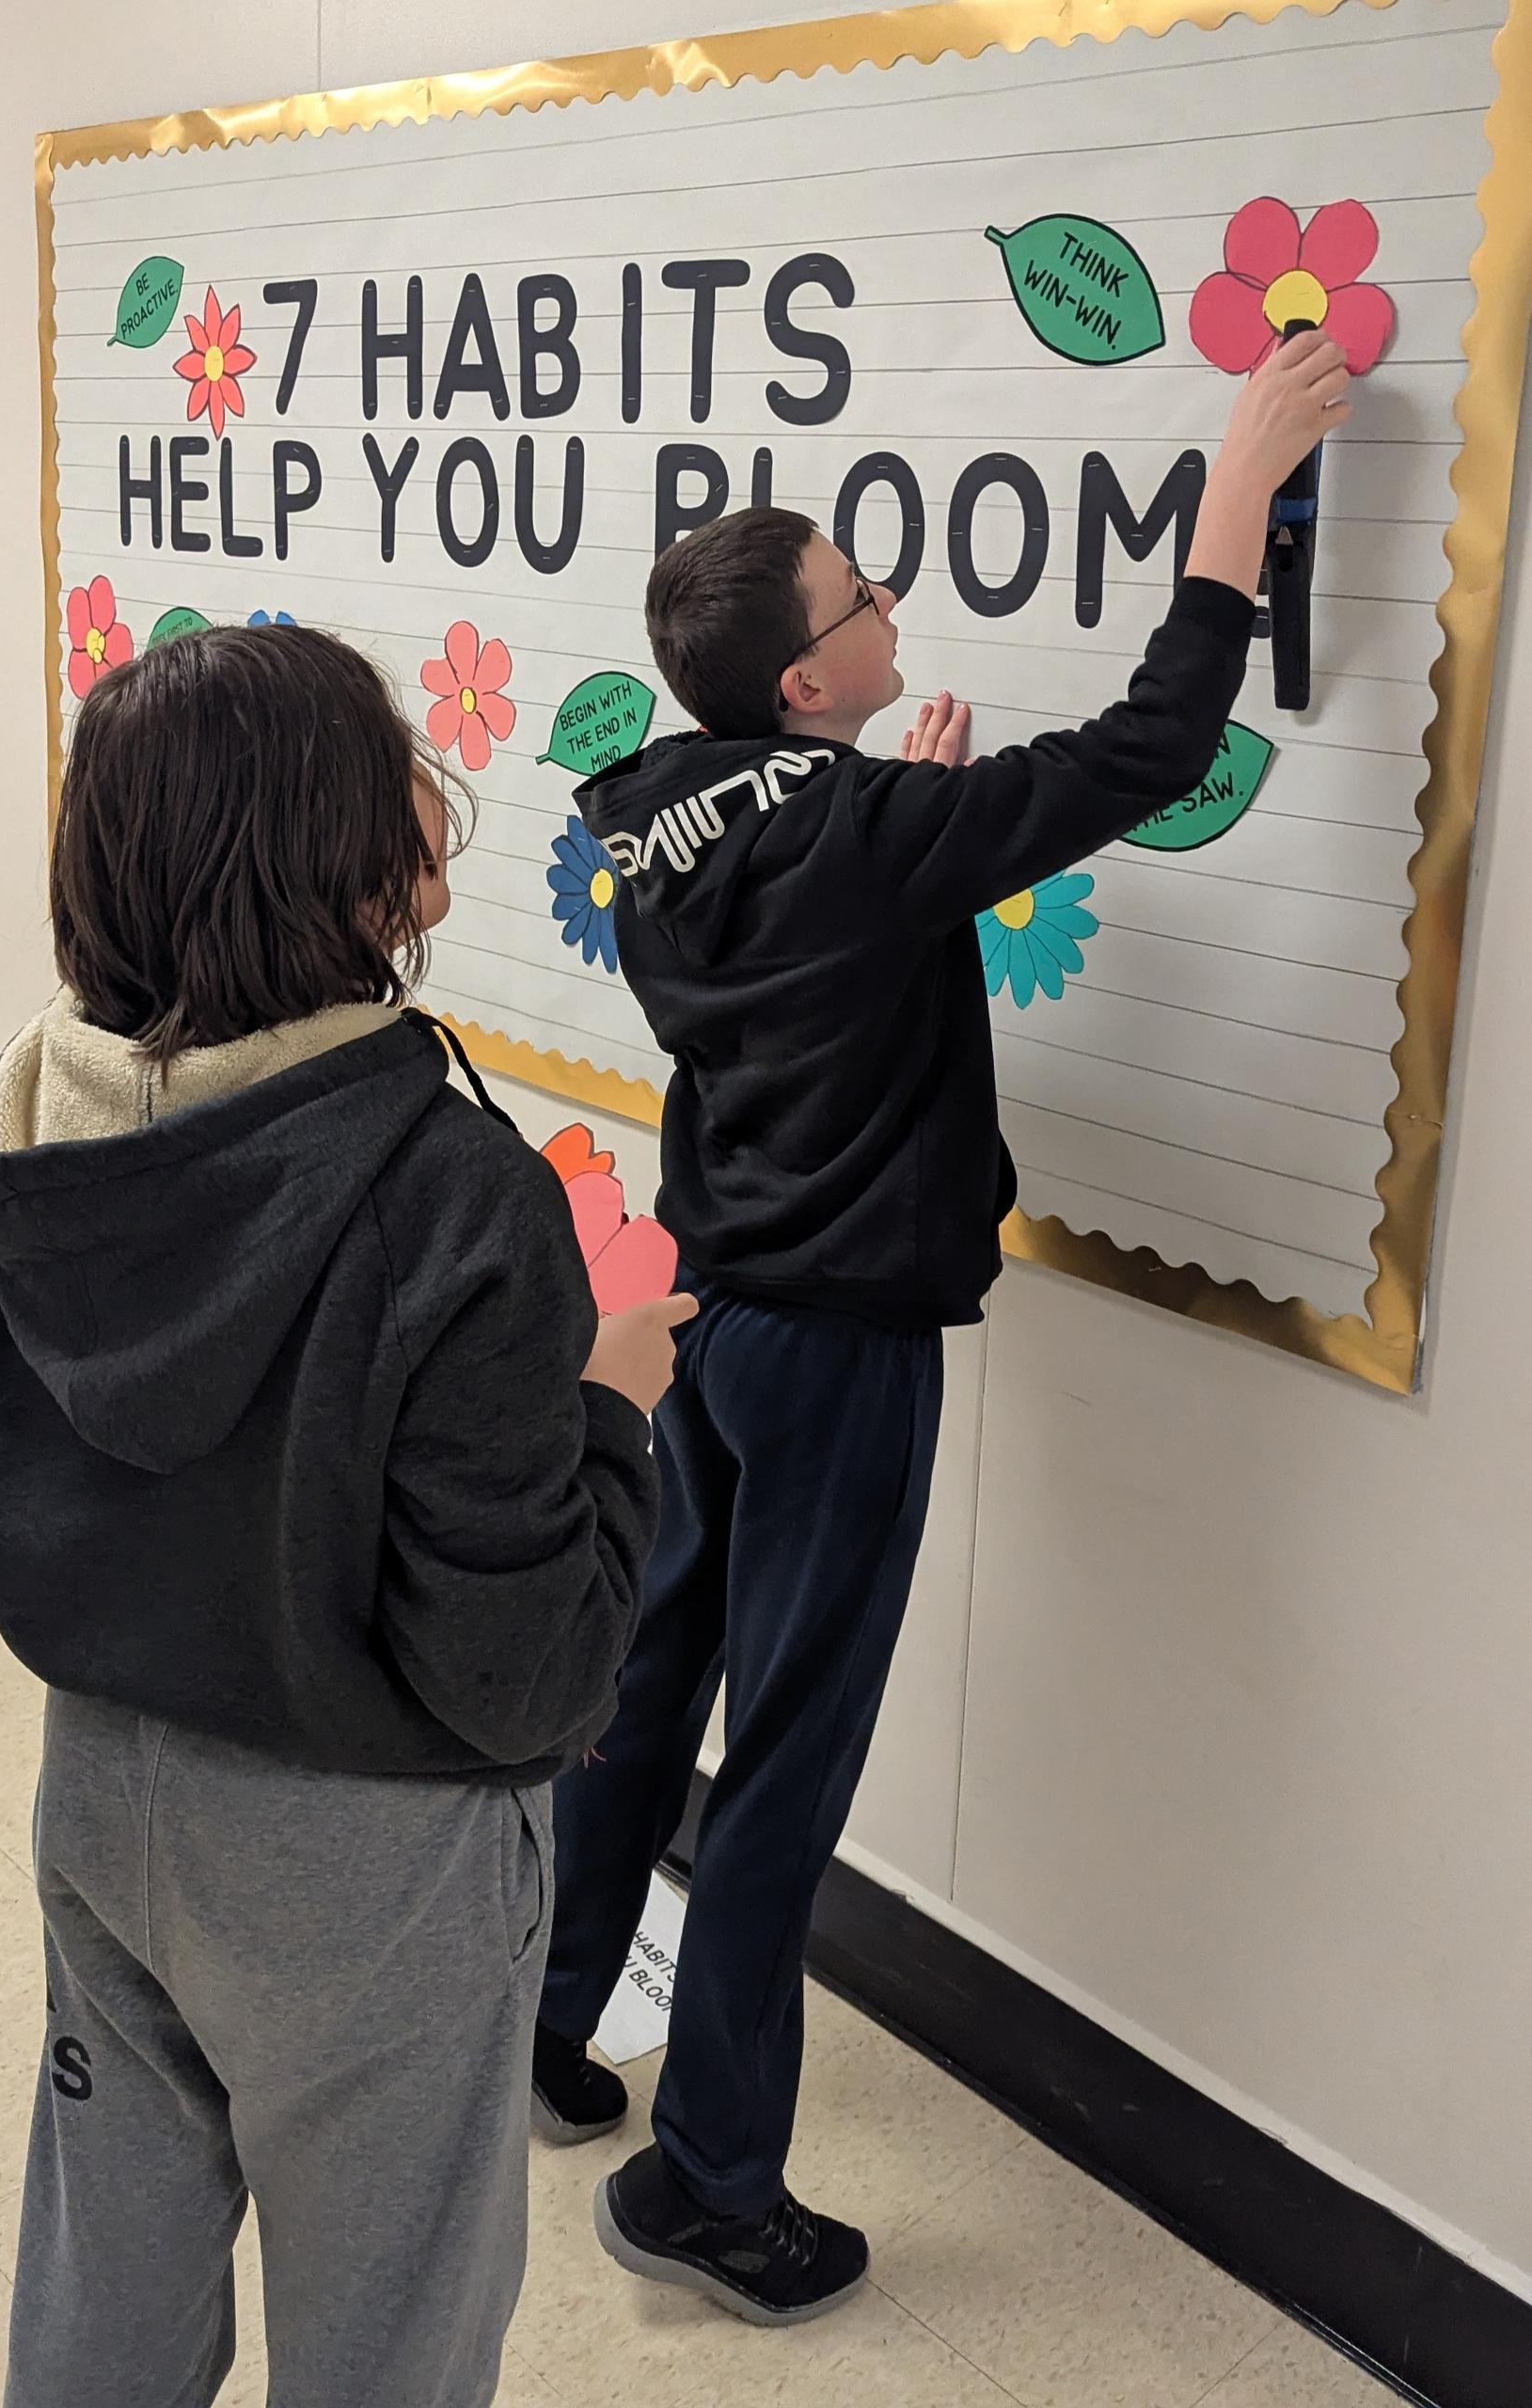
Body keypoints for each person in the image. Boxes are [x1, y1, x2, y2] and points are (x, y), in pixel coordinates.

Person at [529, 331, 1353, 2325]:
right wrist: (1236, 494)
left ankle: (543, 2026)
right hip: (837, 1355)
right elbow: (1151, 746)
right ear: (807, 679)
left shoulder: (664, 813)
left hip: (710, 1308)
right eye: (864, 594)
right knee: (787, 1763)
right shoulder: (862, 829)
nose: (893, 600)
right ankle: (711, 2186)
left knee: (649, 1682)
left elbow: (803, 911)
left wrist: (884, 813)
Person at [0, 622, 695, 2407]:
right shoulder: (449, 1189)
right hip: (373, 1861)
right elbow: (524, 1675)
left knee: (106, 2283)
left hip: (100, 1791)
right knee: (388, 2336)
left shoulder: (29, 1120)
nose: (433, 785)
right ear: (331, 851)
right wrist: (610, 1415)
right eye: (395, 754)